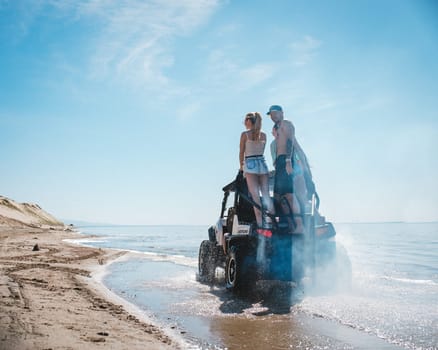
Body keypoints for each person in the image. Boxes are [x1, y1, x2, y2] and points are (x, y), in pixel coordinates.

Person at [266, 105, 303, 234]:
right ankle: (290, 225)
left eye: (275, 113)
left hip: (286, 160)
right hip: (280, 162)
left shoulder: (286, 124)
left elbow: (290, 142)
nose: (273, 116)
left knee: (289, 195)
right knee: (279, 197)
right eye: (271, 114)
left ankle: (299, 226)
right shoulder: (275, 128)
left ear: (281, 113)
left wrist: (288, 161)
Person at [239, 112, 274, 228]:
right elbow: (262, 151)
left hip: (250, 164)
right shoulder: (264, 135)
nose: (244, 122)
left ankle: (261, 224)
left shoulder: (245, 135)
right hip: (262, 164)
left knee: (255, 197)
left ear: (249, 121)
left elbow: (241, 153)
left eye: (245, 120)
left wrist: (241, 167)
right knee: (266, 195)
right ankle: (272, 221)